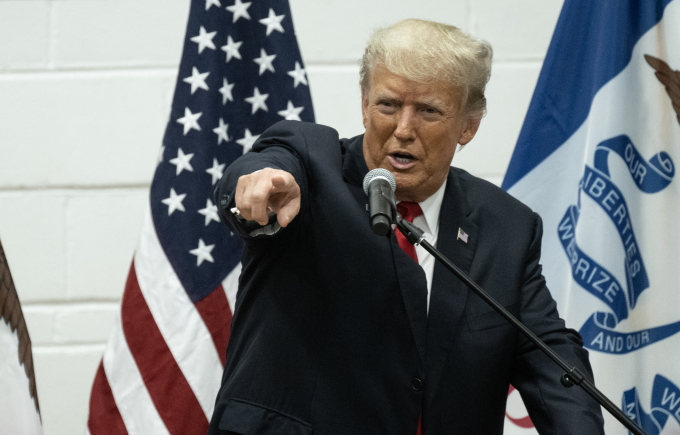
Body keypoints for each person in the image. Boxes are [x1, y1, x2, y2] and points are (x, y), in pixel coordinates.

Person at [208, 19, 605, 435]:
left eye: (429, 111)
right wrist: (255, 186)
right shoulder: (310, 166)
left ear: (468, 125)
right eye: (388, 105)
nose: (403, 129)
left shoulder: (506, 226)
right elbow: (264, 167)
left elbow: (550, 358)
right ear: (364, 104)